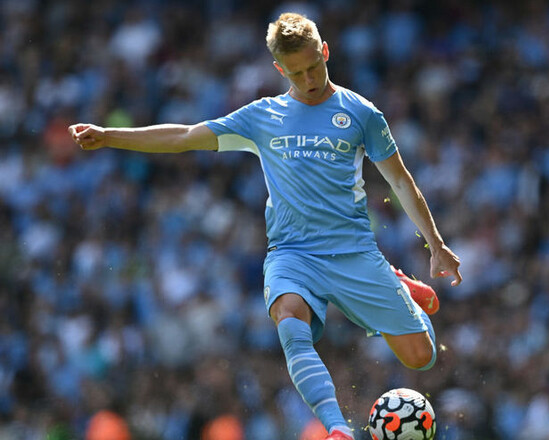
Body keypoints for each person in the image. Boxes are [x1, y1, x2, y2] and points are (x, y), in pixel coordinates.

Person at [69, 12, 462, 440]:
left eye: (313, 66)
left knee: (420, 358)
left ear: (325, 51)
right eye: (296, 72)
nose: (309, 79)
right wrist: (110, 135)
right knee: (288, 318)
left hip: (352, 251)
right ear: (280, 69)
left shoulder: (361, 113)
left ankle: (401, 288)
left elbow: (401, 181)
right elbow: (184, 136)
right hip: (292, 253)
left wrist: (436, 244)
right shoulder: (262, 116)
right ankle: (337, 429)